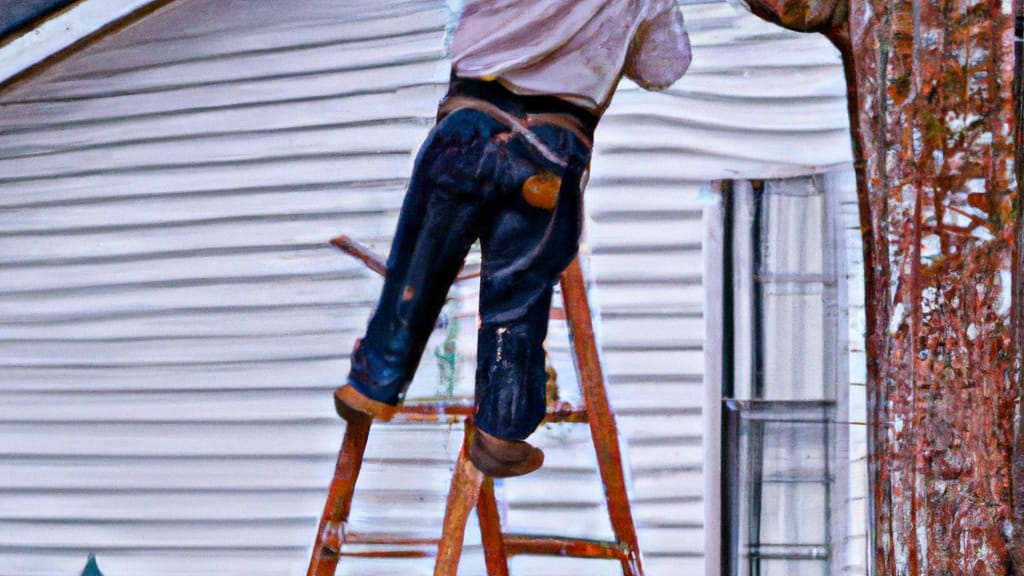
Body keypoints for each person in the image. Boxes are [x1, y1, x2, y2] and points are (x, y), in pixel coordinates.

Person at [334, 0, 692, 478]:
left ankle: (373, 384)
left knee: (419, 263)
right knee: (515, 300)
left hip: (467, 124)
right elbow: (665, 67)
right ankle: (501, 433)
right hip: (551, 146)